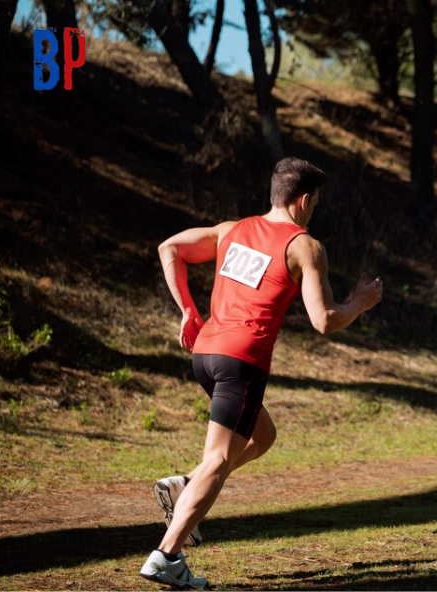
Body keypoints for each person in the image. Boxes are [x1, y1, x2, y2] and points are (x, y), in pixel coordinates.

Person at [140, 157, 383, 589]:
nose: (313, 211)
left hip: (206, 356)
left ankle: (185, 487)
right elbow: (324, 320)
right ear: (304, 199)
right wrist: (359, 303)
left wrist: (188, 311)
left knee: (262, 437)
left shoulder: (231, 230)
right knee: (219, 458)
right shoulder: (304, 246)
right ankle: (167, 555)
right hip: (242, 361)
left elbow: (169, 249)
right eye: (315, 203)